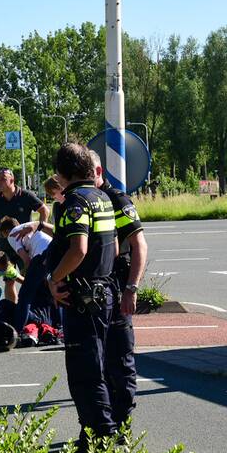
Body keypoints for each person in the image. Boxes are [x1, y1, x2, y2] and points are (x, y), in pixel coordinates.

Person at [46, 142, 118, 453]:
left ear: (62, 174)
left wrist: (54, 278)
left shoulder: (76, 202)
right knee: (97, 368)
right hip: (103, 293)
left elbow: (78, 249)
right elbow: (112, 250)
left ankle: (101, 439)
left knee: (84, 373)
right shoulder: (102, 198)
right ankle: (95, 436)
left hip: (83, 299)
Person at [87, 150, 148, 432]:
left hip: (117, 286)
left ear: (99, 172)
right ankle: (102, 426)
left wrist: (131, 288)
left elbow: (139, 245)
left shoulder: (116, 200)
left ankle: (121, 425)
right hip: (94, 293)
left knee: (120, 359)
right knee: (94, 364)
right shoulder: (83, 201)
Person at [0, 215, 55, 335]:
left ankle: (18, 329)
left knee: (25, 296)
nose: (5, 238)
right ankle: (56, 325)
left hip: (41, 254)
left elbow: (26, 259)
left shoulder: (12, 234)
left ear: (6, 231)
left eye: (3, 235)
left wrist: (27, 272)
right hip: (54, 251)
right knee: (50, 292)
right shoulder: (28, 225)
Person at [0, 167, 49, 265]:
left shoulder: (25, 195)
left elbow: (44, 210)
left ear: (12, 180)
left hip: (24, 243)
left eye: (3, 179)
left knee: (27, 273)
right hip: (3, 244)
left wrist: (39, 230)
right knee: (8, 276)